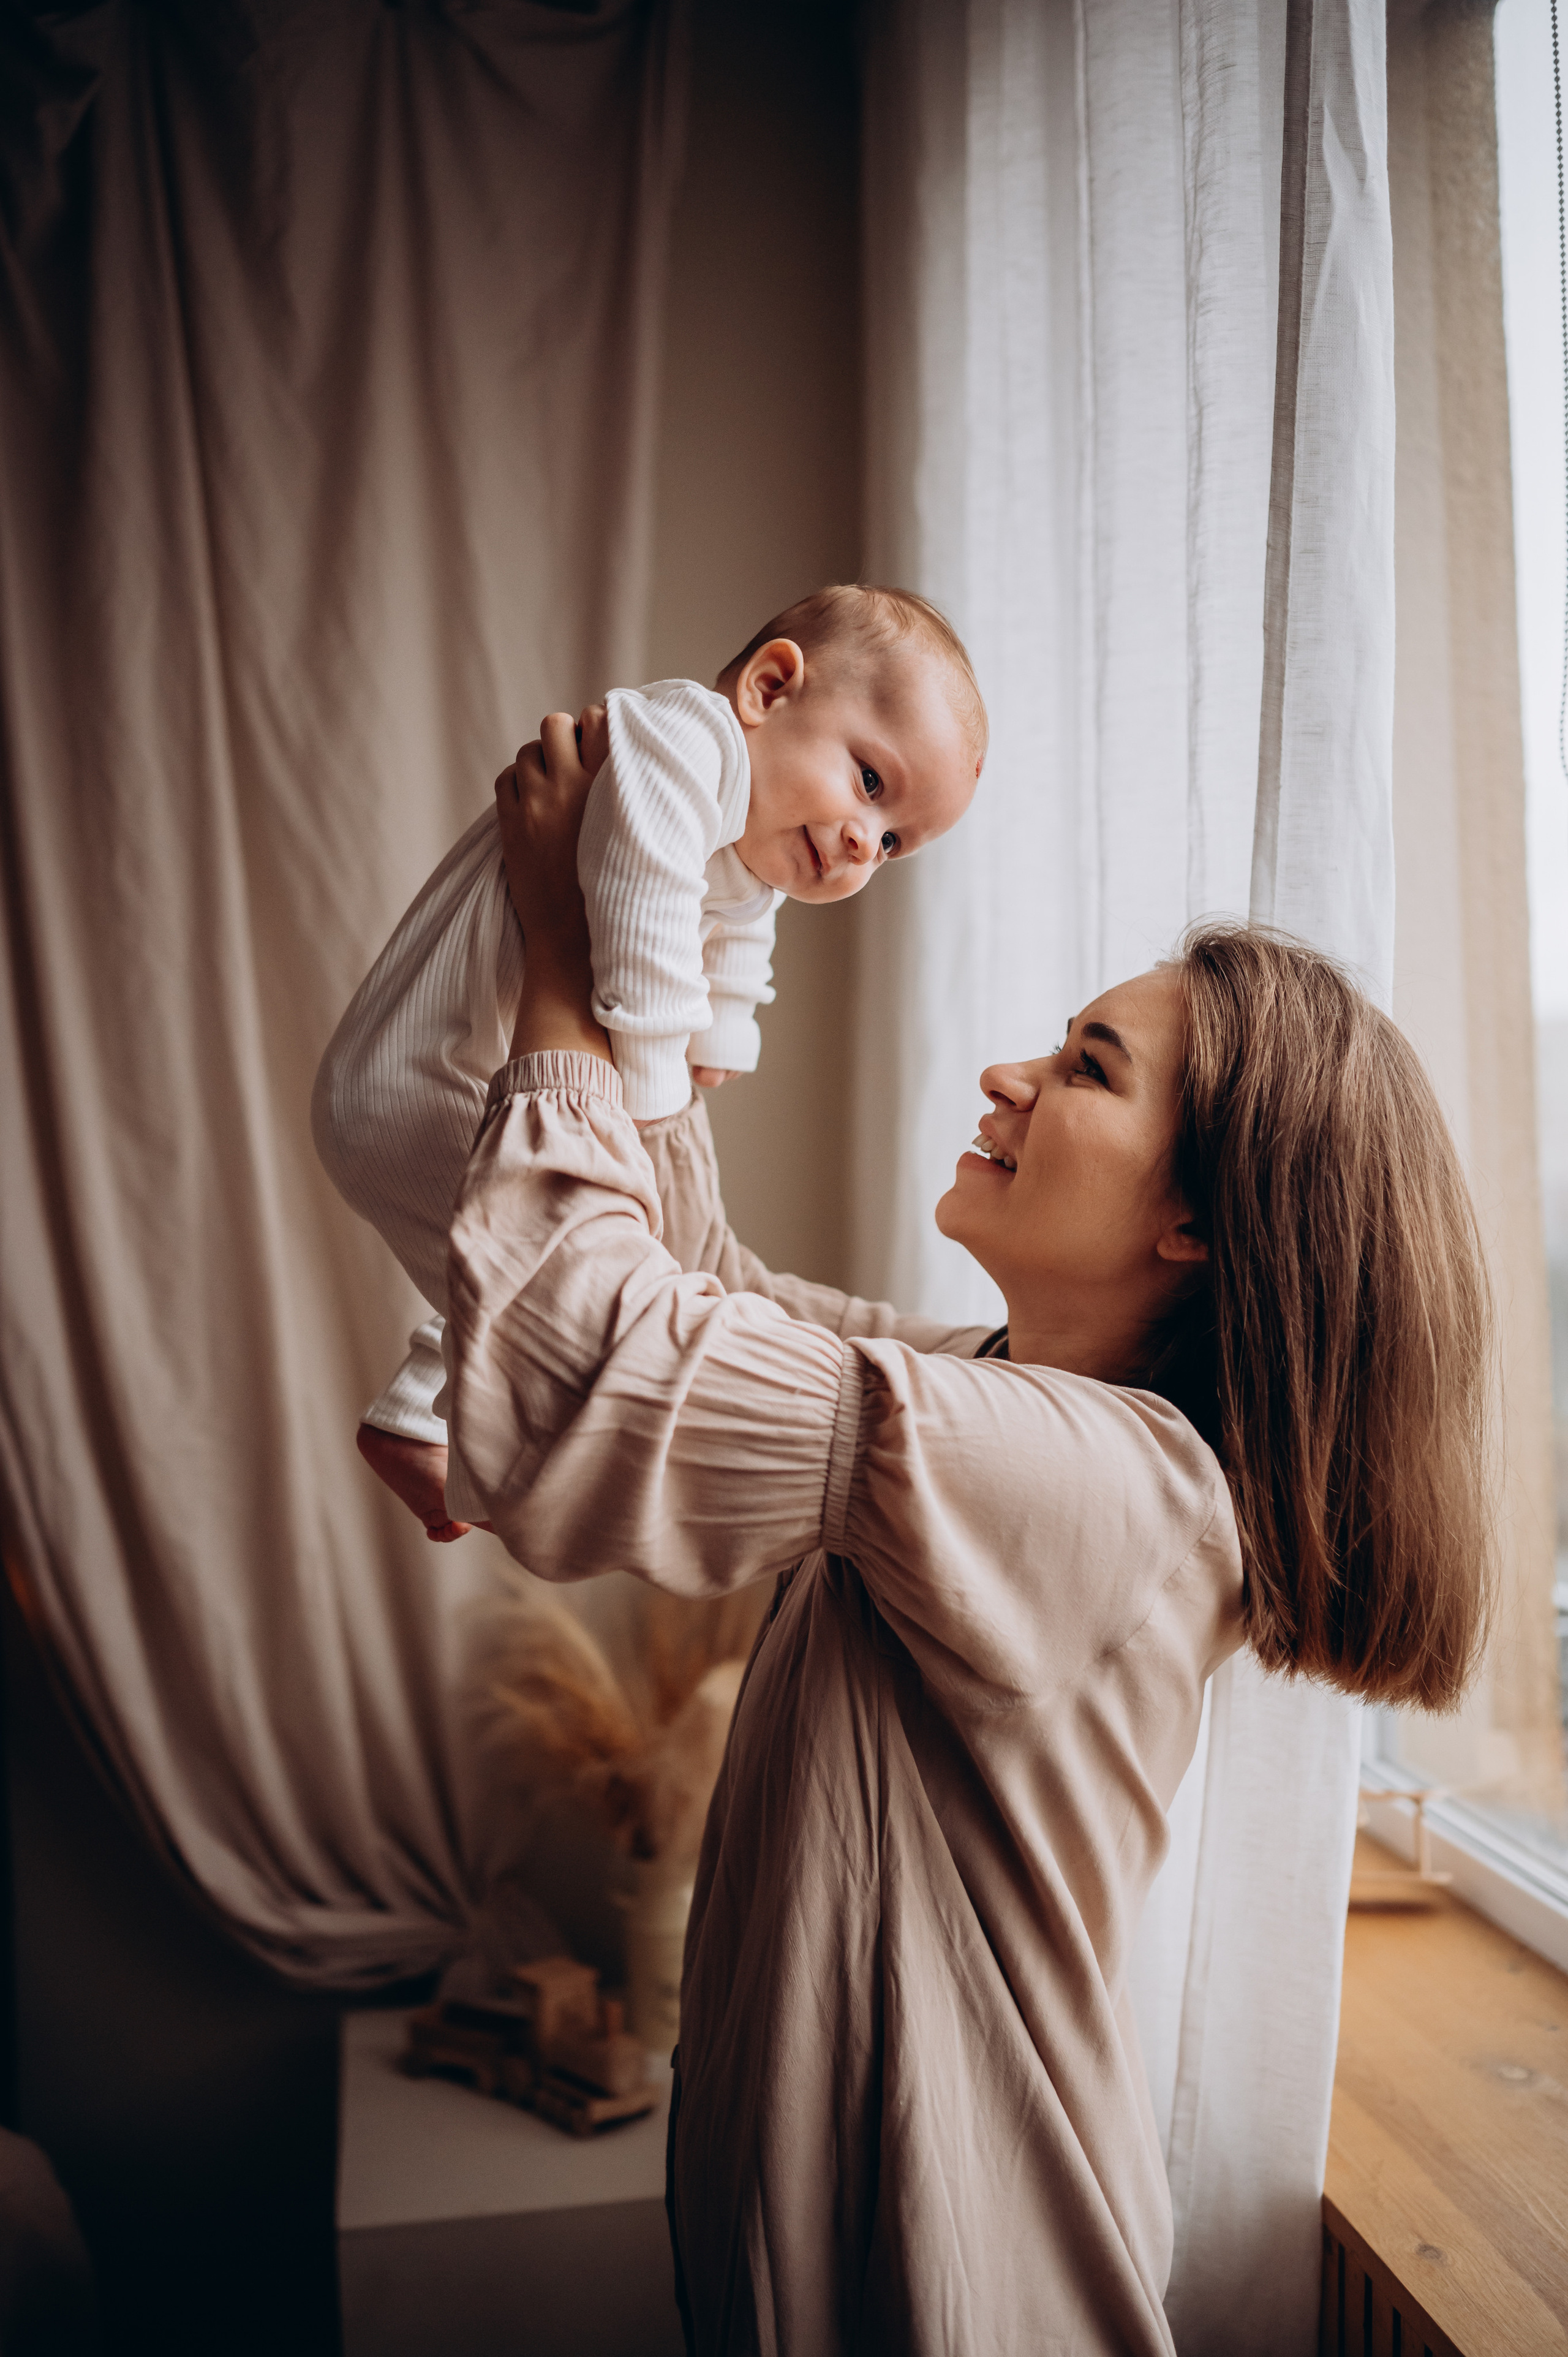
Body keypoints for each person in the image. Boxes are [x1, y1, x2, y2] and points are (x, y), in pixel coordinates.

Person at [442, 724, 1491, 2356]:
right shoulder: (982, 1394)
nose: (1012, 1074)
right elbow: (711, 1302)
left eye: (1087, 1068)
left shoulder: (1098, 1484)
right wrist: (672, 958)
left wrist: (564, 966)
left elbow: (581, 1359)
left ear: (1200, 1218)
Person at [312, 583, 985, 1539]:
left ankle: (429, 1410)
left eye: (893, 844)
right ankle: (420, 1418)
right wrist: (658, 1077)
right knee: (531, 1261)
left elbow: (743, 925)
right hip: (401, 1086)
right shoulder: (687, 742)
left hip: (445, 1080)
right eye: (872, 785)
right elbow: (641, 899)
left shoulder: (753, 836)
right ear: (768, 686)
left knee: (542, 1261)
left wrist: (725, 1033)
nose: (860, 847)